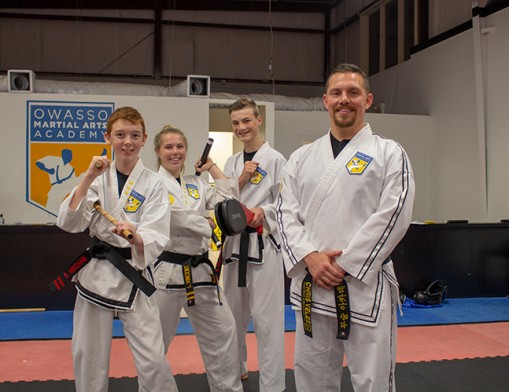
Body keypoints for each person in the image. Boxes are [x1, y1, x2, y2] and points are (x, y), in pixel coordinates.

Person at [276, 63, 415, 392]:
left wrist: (345, 264)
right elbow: (283, 212)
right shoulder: (301, 157)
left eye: (353, 93)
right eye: (336, 93)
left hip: (363, 286)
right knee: (311, 377)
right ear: (325, 100)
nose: (344, 99)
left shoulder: (389, 153)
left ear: (367, 100)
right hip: (313, 283)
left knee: (372, 381)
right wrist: (310, 257)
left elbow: (394, 213)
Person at [56, 106, 178, 392]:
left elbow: (157, 232)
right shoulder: (97, 177)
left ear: (144, 139)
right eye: (120, 135)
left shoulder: (155, 183)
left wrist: (137, 237)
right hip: (97, 271)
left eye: (135, 135)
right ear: (108, 137)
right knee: (88, 354)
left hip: (135, 271)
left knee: (153, 358)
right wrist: (86, 177)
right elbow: (68, 222)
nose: (128, 142)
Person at [152, 125, 244, 392]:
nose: (175, 152)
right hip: (166, 271)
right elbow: (173, 218)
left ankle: (227, 388)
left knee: (224, 329)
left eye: (180, 146)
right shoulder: (151, 183)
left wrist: (212, 167)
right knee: (155, 341)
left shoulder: (196, 184)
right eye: (168, 147)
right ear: (158, 152)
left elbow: (230, 200)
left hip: (201, 270)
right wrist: (208, 224)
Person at [221, 98, 287, 392]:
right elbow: (223, 201)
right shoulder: (231, 162)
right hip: (235, 247)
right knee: (232, 317)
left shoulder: (276, 160)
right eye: (235, 123)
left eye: (246, 121)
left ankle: (272, 385)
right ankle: (236, 369)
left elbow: (286, 204)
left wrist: (265, 212)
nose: (241, 128)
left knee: (267, 320)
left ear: (259, 120)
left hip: (264, 245)